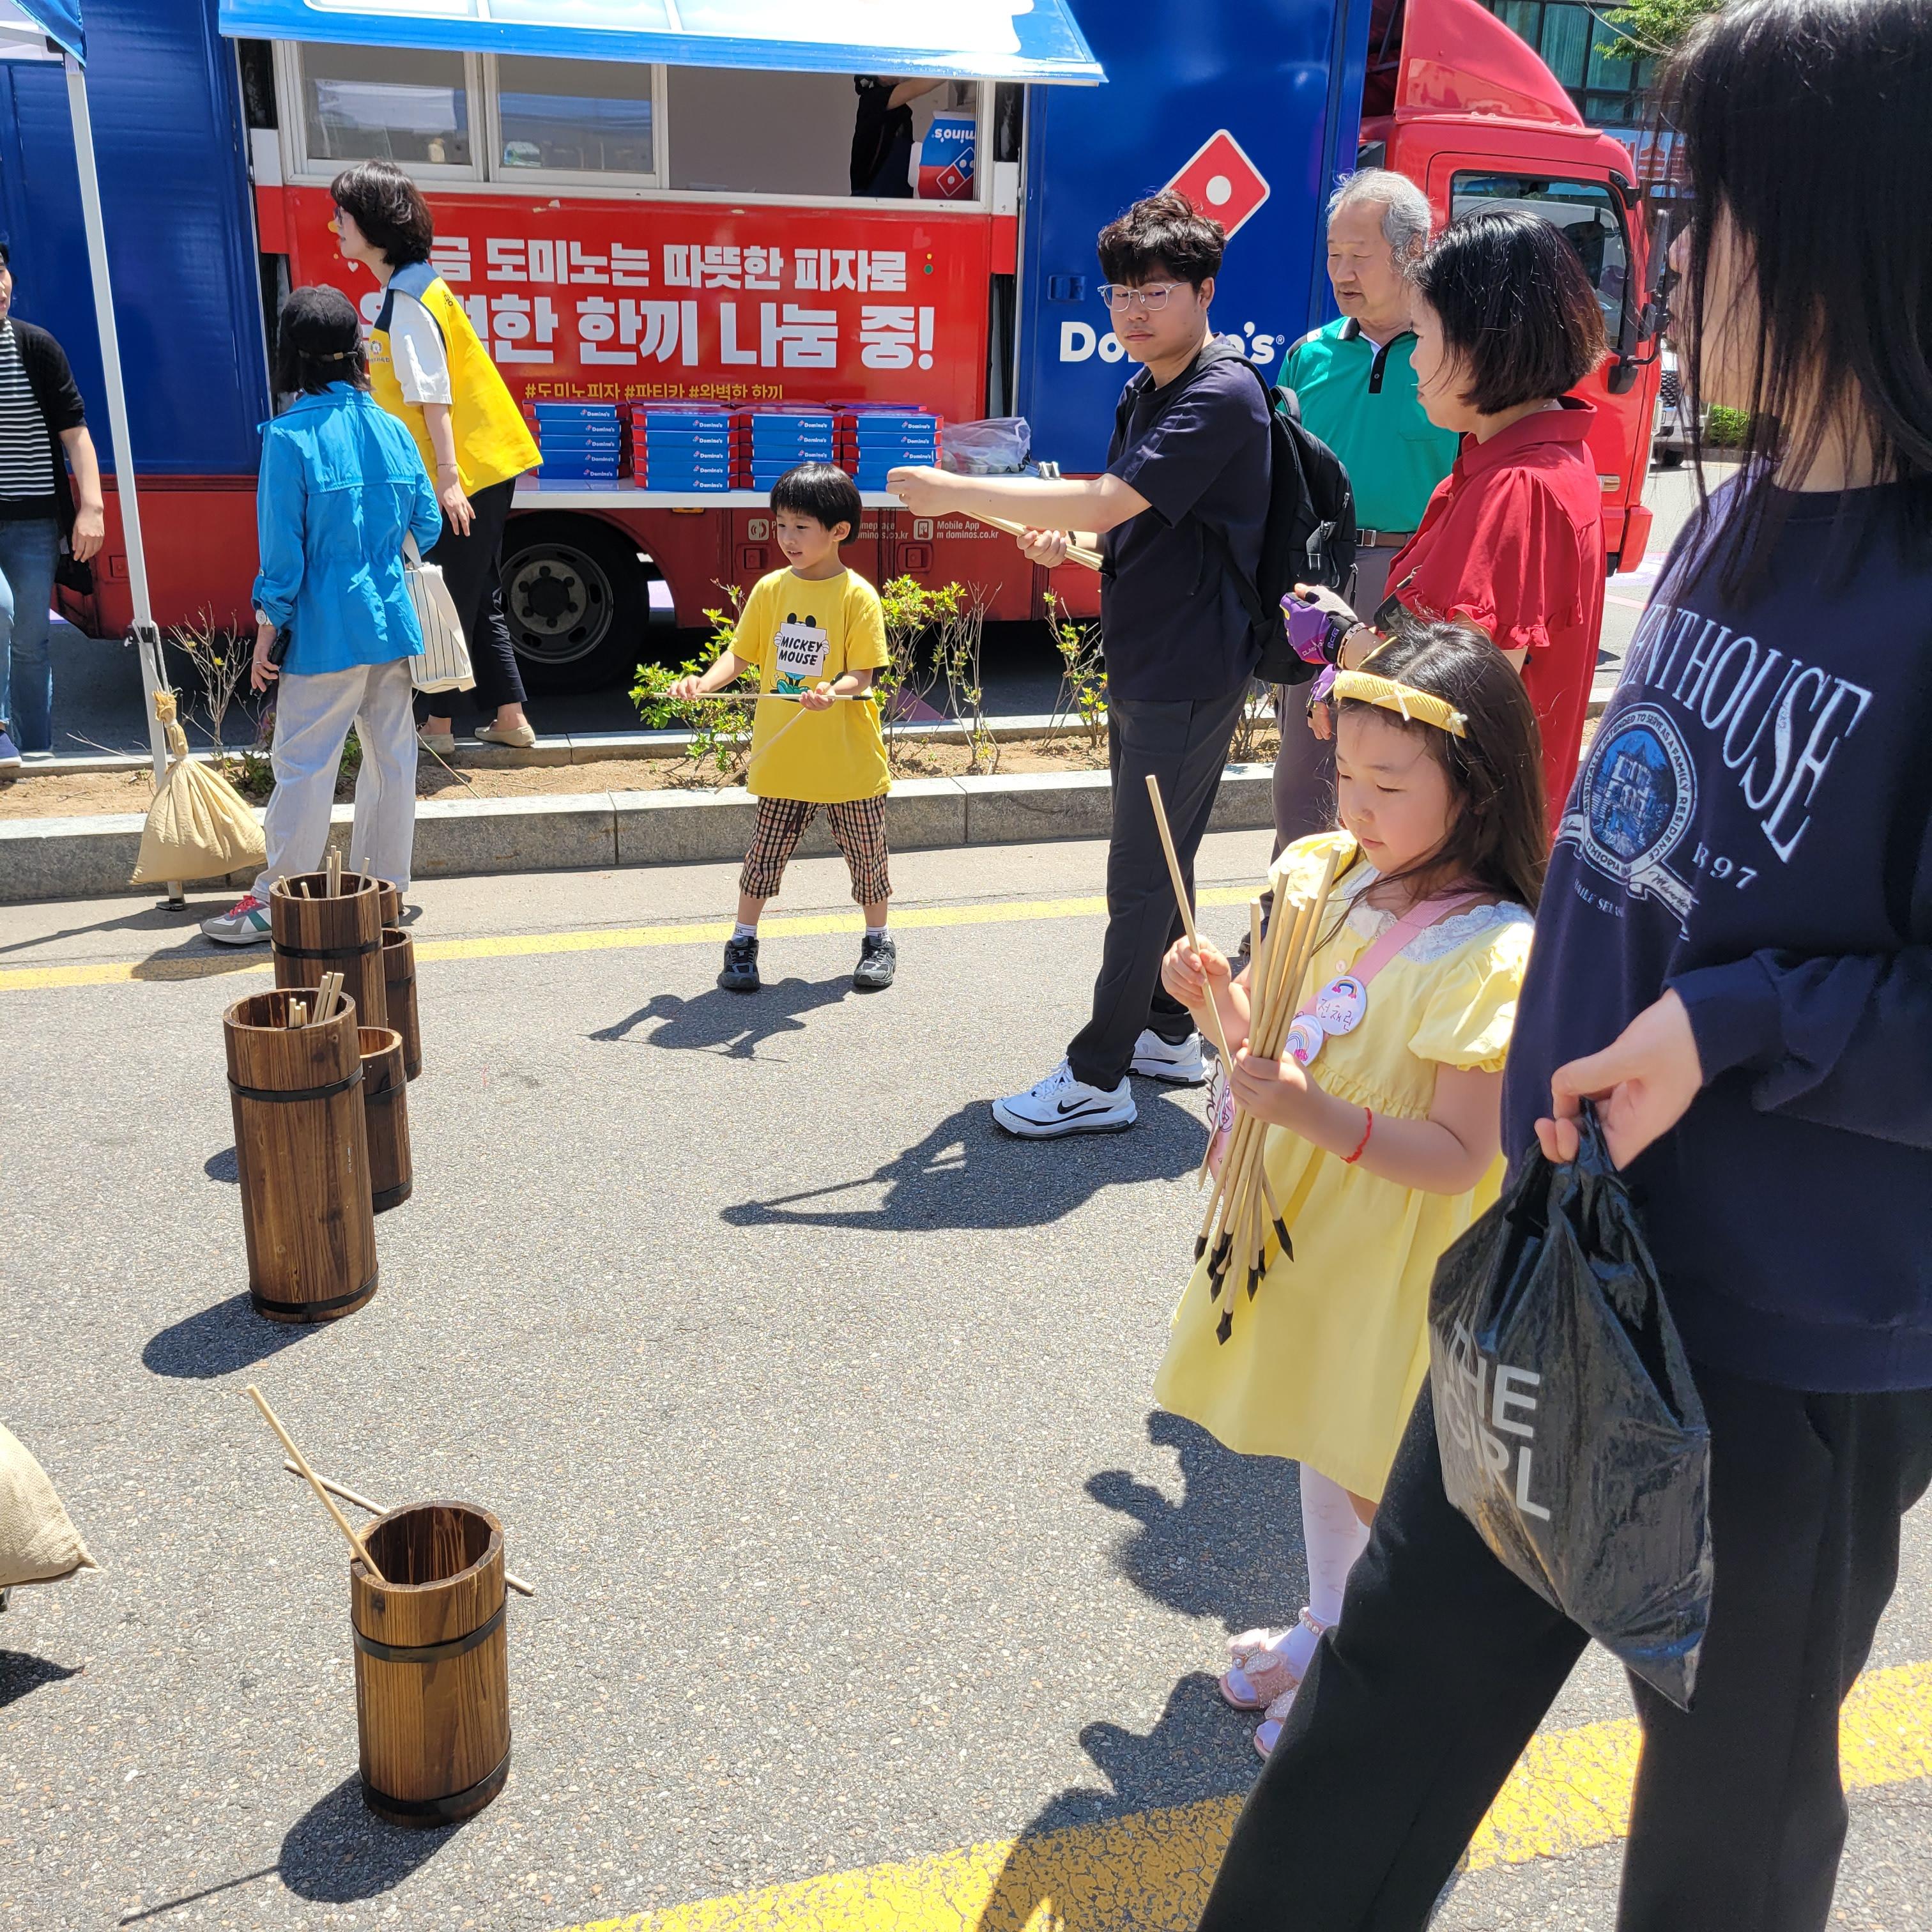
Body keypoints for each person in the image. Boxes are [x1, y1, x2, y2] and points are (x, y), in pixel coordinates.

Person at [1193, 3, 1932, 1927]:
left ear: (1858, 229)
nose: (1675, 264)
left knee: (1727, 1821)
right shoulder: (1734, 513)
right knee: (1378, 1720)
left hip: (1797, 1339)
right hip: (1557, 1255)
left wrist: (1734, 1022)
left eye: (1719, 212)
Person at [1154, 621, 1544, 1759]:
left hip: (1395, 1255)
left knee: (1380, 1470)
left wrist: (1308, 1111)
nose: (1356, 804)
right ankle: (1331, 1624)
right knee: (1320, 1436)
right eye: (1345, 773)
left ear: (1475, 787)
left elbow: (1459, 1156)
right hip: (1301, 1225)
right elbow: (1267, 1048)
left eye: (1390, 783)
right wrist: (1211, 999)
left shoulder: (1492, 951)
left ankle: (1378, 1689)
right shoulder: (1322, 878)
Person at [886, 190, 1272, 1137]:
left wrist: (955, 490)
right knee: (1163, 858)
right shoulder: (1149, 389)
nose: (1133, 310)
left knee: (1140, 876)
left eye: (1156, 290)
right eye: (1120, 293)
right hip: (1157, 654)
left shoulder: (1220, 393)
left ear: (1205, 291)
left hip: (1188, 668)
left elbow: (1104, 499)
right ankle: (1167, 1031)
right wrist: (1076, 549)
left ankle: (1098, 1076)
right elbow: (1135, 528)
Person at [1298, 210, 1607, 834]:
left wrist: (1342, 641)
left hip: (1463, 843)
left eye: (1422, 334)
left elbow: (1454, 697)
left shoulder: (1520, 488)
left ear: (1483, 340)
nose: (1414, 361)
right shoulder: (1516, 463)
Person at [200, 288, 440, 946]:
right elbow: (427, 525)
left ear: (291, 354)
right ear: (357, 351)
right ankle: (383, 893)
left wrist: (266, 632)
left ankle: (279, 901)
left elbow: (283, 557)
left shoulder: (288, 437)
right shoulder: (393, 430)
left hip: (324, 631)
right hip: (391, 623)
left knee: (305, 766)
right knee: (391, 761)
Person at [1271, 171, 1457, 848]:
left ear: (1413, 251)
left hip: (1418, 579)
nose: (1341, 272)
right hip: (1324, 579)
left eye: (1359, 255)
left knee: (1404, 761)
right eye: (1333, 254)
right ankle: (1293, 902)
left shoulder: (1453, 355)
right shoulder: (1310, 356)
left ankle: (1391, 903)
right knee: (1306, 769)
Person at [330, 158, 541, 755]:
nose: (336, 225)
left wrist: (448, 479)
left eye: (343, 214)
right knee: (476, 589)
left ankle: (439, 728)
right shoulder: (412, 287)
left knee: (441, 593)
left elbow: (433, 396)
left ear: (374, 223)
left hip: (460, 472)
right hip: (476, 467)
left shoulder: (409, 297)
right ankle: (509, 718)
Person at [668, 463, 896, 994]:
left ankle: (878, 941)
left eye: (801, 527)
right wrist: (704, 683)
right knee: (763, 857)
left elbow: (862, 674)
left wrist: (831, 691)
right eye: (781, 525)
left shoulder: (857, 596)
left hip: (847, 760)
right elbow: (740, 654)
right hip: (785, 757)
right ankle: (741, 943)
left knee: (868, 858)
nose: (787, 538)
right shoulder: (771, 589)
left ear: (839, 531)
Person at [0, 239, 105, 773]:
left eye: (1, 271)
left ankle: (35, 756)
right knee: (1, 612)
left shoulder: (36, 347)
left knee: (31, 642)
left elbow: (75, 435)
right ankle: (1, 734)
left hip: (34, 523)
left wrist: (92, 509)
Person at [850, 77, 943, 196]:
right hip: (871, 197)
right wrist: (952, 72)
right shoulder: (873, 100)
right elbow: (914, 88)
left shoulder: (900, 110)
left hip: (897, 193)